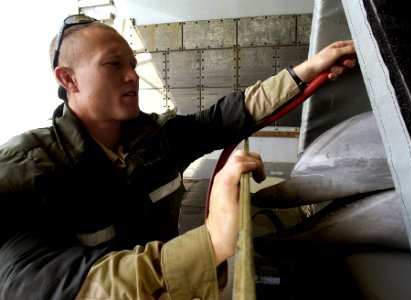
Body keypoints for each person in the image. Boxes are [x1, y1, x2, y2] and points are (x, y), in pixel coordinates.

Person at [0, 13, 357, 300]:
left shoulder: (153, 141)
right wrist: (211, 240)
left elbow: (222, 119)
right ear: (69, 79)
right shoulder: (25, 172)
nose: (132, 76)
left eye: (133, 64)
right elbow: (36, 284)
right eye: (113, 65)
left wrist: (308, 71)